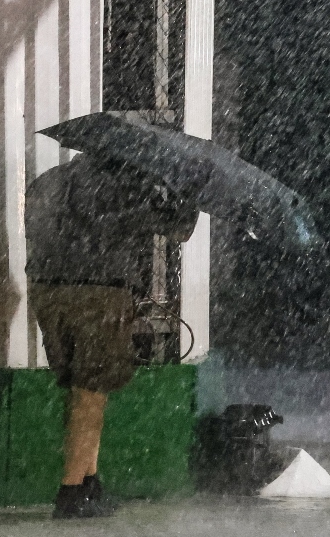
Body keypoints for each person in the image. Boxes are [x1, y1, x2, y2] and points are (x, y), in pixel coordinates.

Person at [26, 153, 198, 519]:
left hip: (46, 290)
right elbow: (178, 229)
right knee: (91, 391)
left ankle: (89, 482)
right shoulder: (124, 185)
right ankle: (72, 493)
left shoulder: (49, 181)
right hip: (99, 292)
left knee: (82, 389)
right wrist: (188, 198)